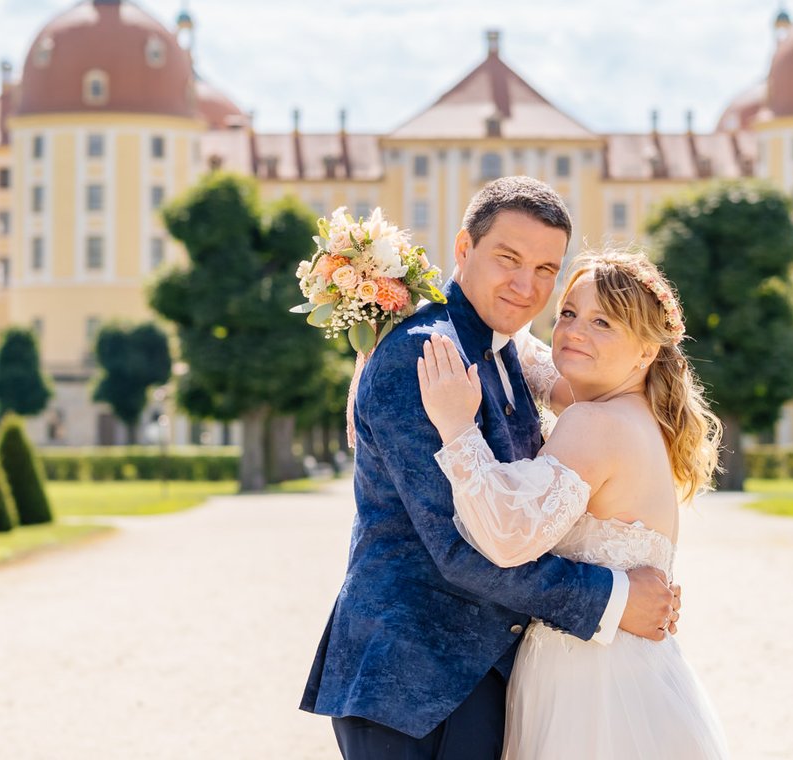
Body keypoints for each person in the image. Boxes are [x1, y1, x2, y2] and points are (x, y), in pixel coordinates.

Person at [301, 177, 681, 759]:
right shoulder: (425, 356)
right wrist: (612, 597)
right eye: (509, 258)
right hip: (413, 682)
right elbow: (459, 549)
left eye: (546, 269)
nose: (526, 285)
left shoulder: (504, 348)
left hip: (480, 681)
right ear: (462, 249)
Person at [417, 248, 730, 758]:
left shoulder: (594, 423)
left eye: (602, 322)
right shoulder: (642, 414)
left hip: (585, 682)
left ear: (646, 352)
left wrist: (456, 427)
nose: (573, 332)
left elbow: (507, 534)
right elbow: (546, 365)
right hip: (639, 676)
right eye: (568, 314)